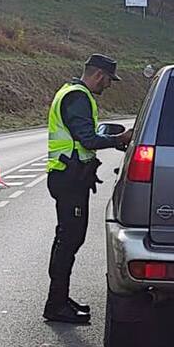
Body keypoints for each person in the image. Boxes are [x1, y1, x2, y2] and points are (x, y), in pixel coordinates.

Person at [43, 53, 133, 324]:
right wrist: (119, 138)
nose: (108, 85)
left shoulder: (70, 92)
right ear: (98, 75)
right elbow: (88, 139)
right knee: (69, 239)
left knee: (68, 238)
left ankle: (59, 299)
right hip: (68, 179)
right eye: (107, 80)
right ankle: (55, 304)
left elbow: (81, 140)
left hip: (68, 177)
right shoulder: (78, 97)